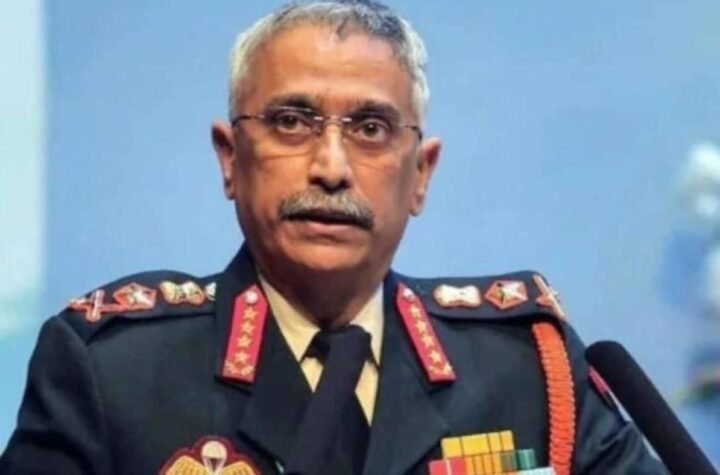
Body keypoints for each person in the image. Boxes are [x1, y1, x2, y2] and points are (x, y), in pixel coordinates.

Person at [1, 1, 668, 474]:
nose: (330, 166)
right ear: (230, 158)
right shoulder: (113, 372)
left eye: (371, 129)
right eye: (292, 122)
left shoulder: (526, 368)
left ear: (421, 175)